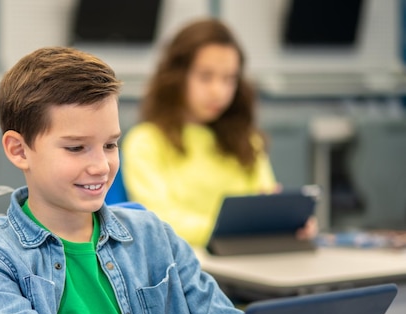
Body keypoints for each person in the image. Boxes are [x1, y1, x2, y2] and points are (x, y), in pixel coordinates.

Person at [0, 46, 381, 314]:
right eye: (76, 147)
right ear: (18, 149)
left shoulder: (150, 236)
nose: (100, 165)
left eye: (110, 144)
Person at [121, 18, 315, 248]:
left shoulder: (246, 140)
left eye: (229, 79)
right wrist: (239, 229)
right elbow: (160, 222)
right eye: (205, 77)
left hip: (249, 258)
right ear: (176, 77)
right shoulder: (145, 142)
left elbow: (265, 201)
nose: (218, 91)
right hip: (186, 268)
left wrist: (292, 223)